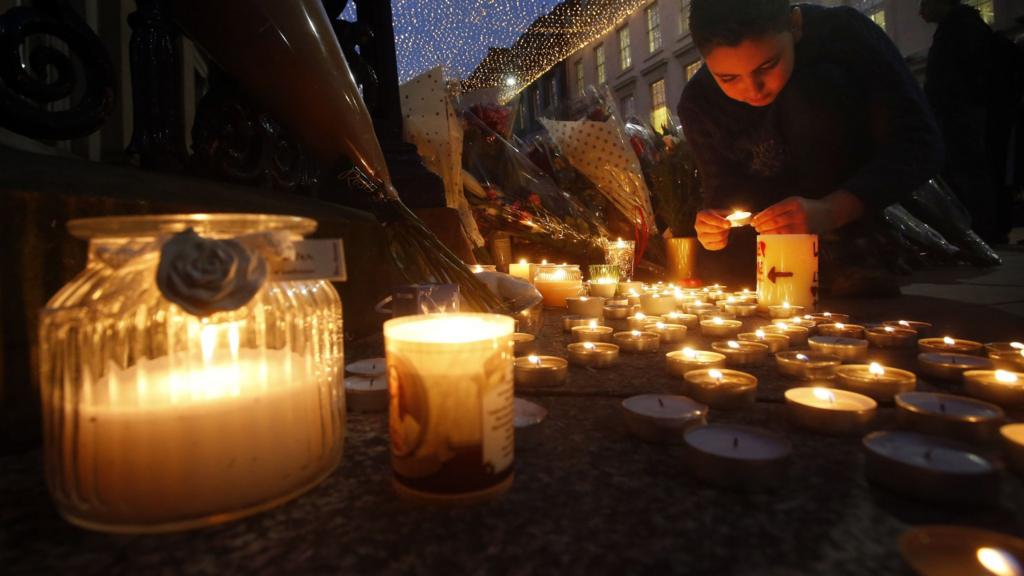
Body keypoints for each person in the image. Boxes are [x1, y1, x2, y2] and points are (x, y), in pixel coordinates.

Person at [678, 0, 944, 293]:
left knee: (808, 93)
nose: (753, 89)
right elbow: (723, 185)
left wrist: (832, 210)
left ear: (795, 24)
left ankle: (850, 250)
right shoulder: (699, 102)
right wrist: (715, 222)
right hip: (773, 236)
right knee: (720, 271)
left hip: (873, 213)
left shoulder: (843, 36)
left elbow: (919, 141)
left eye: (768, 65)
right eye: (728, 78)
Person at [920, 0, 1024, 245]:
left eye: (924, 4)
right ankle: (981, 229)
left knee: (970, 173)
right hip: (962, 114)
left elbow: (958, 78)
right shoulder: (961, 26)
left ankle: (981, 230)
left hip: (964, 115)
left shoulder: (960, 28)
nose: (920, 12)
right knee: (970, 172)